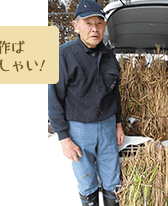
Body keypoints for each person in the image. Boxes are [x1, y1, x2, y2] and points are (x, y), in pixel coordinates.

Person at [48, 0, 125, 205]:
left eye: (99, 23)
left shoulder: (109, 55)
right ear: (76, 26)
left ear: (104, 26)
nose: (94, 29)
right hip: (79, 129)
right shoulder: (64, 55)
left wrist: (118, 123)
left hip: (108, 126)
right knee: (86, 181)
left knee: (112, 180)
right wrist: (64, 138)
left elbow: (114, 93)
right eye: (88, 22)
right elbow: (53, 99)